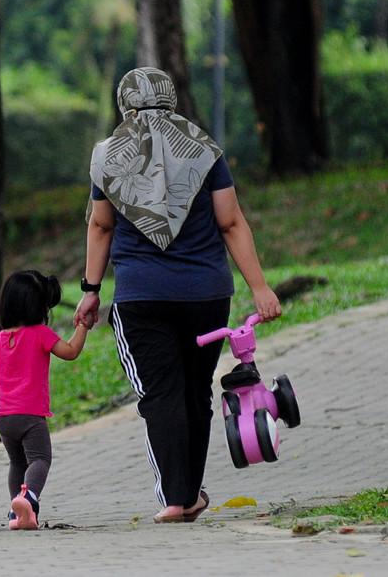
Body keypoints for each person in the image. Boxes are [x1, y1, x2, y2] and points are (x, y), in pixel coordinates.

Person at [76, 66, 281, 524]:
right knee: (194, 393)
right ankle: (188, 495)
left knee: (160, 395)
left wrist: (90, 291)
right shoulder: (205, 151)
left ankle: (175, 496)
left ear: (123, 103)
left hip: (141, 298)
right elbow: (230, 221)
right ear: (171, 100)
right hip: (206, 295)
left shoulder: (108, 155)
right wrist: (260, 287)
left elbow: (100, 224)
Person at [0, 269, 89, 530]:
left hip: (3, 417)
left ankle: (18, 514)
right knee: (40, 459)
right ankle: (28, 498)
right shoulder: (40, 334)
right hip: (30, 416)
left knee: (17, 462)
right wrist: (82, 327)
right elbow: (70, 352)